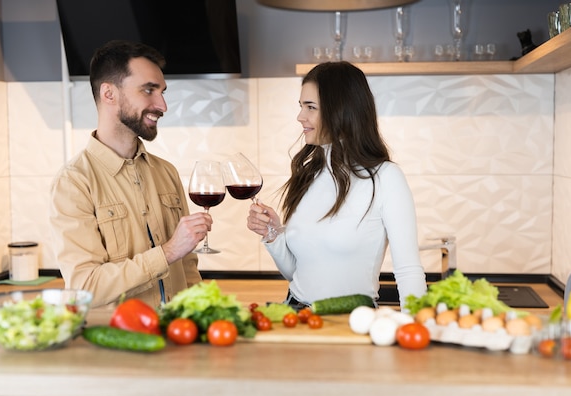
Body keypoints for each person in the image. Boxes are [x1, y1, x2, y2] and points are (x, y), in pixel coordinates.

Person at [247, 61, 427, 310]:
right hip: (295, 316)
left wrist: (415, 330)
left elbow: (408, 270)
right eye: (301, 106)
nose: (300, 117)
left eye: (311, 107)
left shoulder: (386, 178)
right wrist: (273, 234)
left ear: (342, 110)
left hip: (351, 320)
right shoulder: (309, 173)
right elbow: (298, 274)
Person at [50, 40, 211, 309]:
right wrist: (168, 251)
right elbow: (84, 287)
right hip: (119, 342)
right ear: (109, 94)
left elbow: (187, 266)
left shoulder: (166, 172)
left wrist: (201, 315)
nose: (162, 105)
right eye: (149, 90)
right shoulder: (74, 182)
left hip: (179, 333)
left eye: (162, 92)